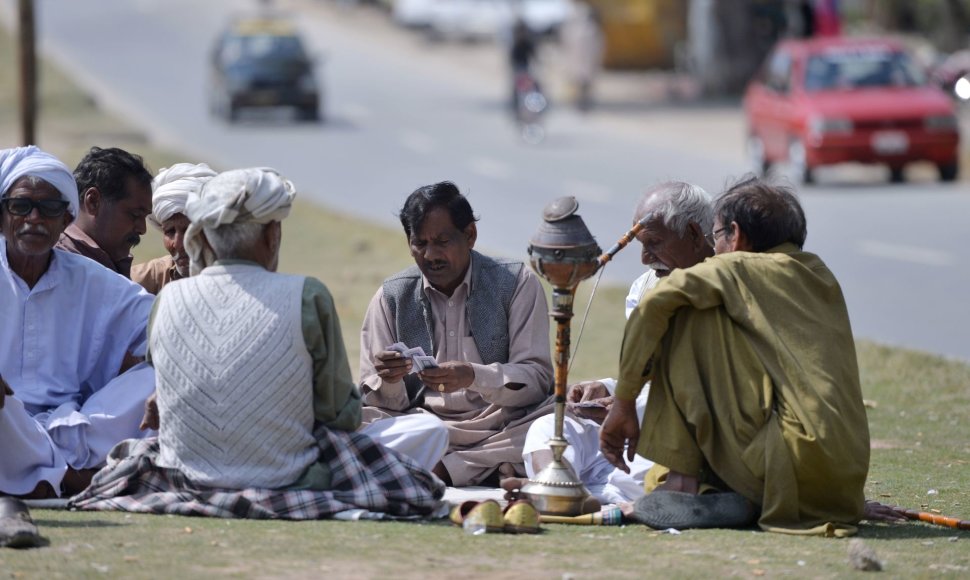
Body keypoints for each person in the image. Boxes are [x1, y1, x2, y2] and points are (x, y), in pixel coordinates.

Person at [72, 168, 445, 519]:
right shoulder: (306, 295)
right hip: (287, 476)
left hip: (188, 477)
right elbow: (339, 414)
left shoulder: (166, 300)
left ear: (204, 237)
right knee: (419, 433)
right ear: (271, 236)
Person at [601, 176, 870, 535]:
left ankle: (684, 483)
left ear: (736, 235)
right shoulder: (818, 273)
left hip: (786, 469)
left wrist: (622, 404)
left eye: (717, 236)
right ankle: (733, 496)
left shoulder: (734, 268)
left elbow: (652, 306)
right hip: (840, 488)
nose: (714, 249)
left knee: (680, 311)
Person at [512, 182, 715, 506]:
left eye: (655, 243)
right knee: (547, 427)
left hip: (684, 427)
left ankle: (577, 493)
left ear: (693, 234)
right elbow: (648, 373)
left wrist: (627, 403)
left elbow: (705, 388)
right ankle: (556, 488)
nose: (646, 257)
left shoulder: (723, 288)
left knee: (644, 468)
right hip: (635, 418)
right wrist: (608, 390)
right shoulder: (646, 287)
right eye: (640, 244)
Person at [360, 181, 554, 487]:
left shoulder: (516, 284)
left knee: (558, 421)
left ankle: (438, 469)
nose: (431, 255)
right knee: (357, 423)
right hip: (424, 426)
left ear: (470, 235)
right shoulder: (391, 297)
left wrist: (473, 376)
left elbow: (536, 379)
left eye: (442, 241)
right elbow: (378, 403)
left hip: (502, 425)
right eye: (420, 243)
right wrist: (390, 380)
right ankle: (489, 468)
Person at [0, 146, 155, 499]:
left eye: (50, 208)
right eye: (21, 206)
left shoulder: (94, 281)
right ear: (2, 215)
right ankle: (68, 480)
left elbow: (169, 331)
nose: (34, 218)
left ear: (66, 217)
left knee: (161, 375)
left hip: (75, 431)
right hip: (3, 422)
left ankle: (45, 473)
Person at [56, 146, 153, 278]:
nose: (143, 229)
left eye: (144, 217)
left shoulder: (103, 264)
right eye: (135, 215)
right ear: (93, 201)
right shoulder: (61, 265)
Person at [131, 163, 216, 294]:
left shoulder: (240, 278)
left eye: (189, 230)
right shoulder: (147, 279)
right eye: (170, 231)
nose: (178, 244)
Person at [561, 1, 604, 112]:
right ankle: (580, 104)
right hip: (579, 63)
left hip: (586, 63)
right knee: (579, 86)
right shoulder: (575, 29)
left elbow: (598, 47)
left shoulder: (592, 30)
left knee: (585, 86)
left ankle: (585, 105)